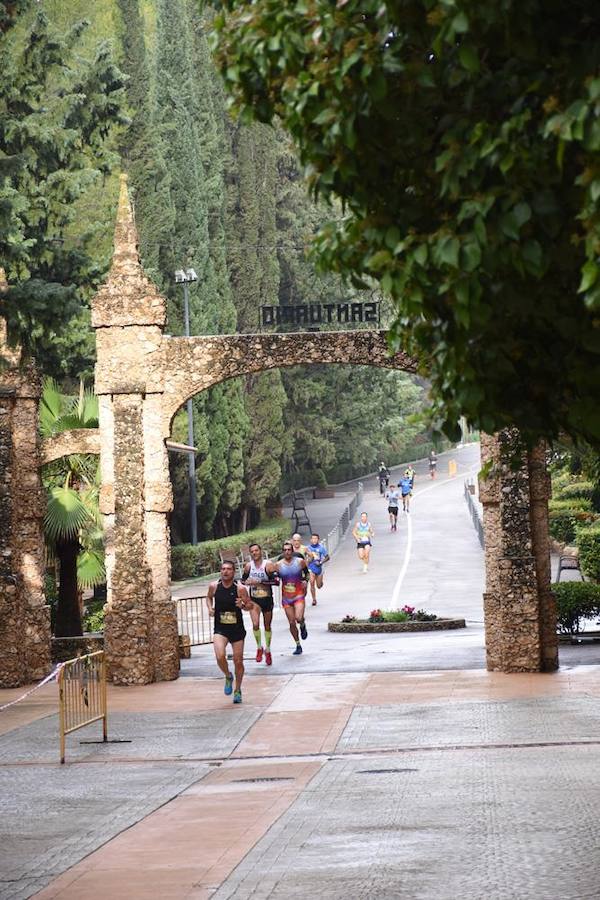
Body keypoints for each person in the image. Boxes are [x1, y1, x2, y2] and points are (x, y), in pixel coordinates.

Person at [206, 560, 254, 704]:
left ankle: (238, 689)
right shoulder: (214, 586)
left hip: (237, 630)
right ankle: (228, 675)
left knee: (238, 661)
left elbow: (250, 605)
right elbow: (208, 598)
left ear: (233, 572)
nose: (225, 571)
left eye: (228, 569)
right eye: (223, 569)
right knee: (220, 656)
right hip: (220, 628)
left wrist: (243, 605)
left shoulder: (240, 589)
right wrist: (210, 608)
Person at [241, 542, 277, 666]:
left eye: (256, 550)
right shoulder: (248, 566)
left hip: (267, 599)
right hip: (254, 600)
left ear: (260, 551)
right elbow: (242, 580)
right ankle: (259, 647)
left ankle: (268, 649)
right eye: (252, 551)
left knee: (267, 626)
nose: (254, 553)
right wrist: (247, 583)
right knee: (255, 624)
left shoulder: (268, 565)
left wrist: (260, 582)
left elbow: (276, 581)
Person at [271, 541, 309, 655]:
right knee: (292, 623)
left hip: (298, 595)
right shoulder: (278, 565)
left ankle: (302, 624)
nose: (287, 552)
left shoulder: (300, 562)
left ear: (292, 551)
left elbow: (306, 573)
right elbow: (275, 578)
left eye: (289, 550)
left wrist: (305, 581)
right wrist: (275, 580)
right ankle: (298, 645)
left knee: (298, 618)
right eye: (285, 550)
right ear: (283, 552)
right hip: (286, 598)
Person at [306, 532, 330, 605]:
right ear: (310, 540)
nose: (314, 540)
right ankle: (314, 599)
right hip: (311, 567)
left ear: (318, 540)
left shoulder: (321, 548)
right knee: (312, 582)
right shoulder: (308, 548)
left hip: (319, 567)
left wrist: (321, 562)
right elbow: (304, 557)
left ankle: (321, 582)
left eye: (315, 538)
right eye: (313, 538)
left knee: (319, 586)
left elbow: (327, 557)